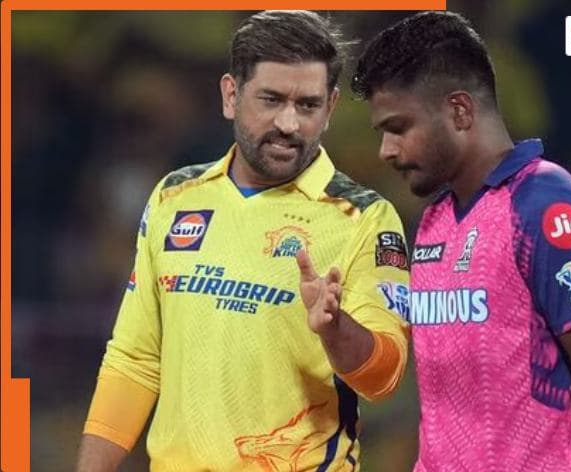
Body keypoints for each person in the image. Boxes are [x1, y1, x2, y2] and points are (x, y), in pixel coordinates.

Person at [76, 10, 410, 471]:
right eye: (271, 100)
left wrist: (336, 330)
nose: (289, 123)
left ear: (331, 107)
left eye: (308, 105)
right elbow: (135, 359)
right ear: (231, 95)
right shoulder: (175, 197)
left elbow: (385, 378)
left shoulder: (364, 218)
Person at [352, 11, 571, 472]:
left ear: (460, 111)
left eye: (399, 127)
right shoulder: (434, 221)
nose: (387, 150)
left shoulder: (542, 201)